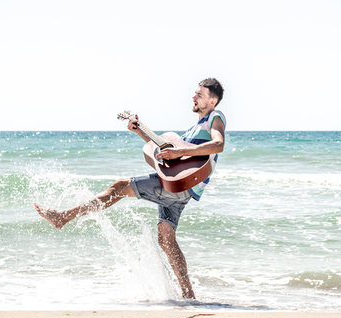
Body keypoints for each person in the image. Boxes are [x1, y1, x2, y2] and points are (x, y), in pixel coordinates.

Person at [34, 78, 226, 299]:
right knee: (165, 237)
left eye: (199, 95)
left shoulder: (215, 117)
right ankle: (188, 296)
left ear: (212, 100)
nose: (194, 97)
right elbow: (169, 155)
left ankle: (64, 216)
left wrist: (175, 152)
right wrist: (140, 132)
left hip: (180, 187)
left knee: (121, 186)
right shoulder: (193, 130)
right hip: (179, 186)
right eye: (194, 93)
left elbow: (218, 144)